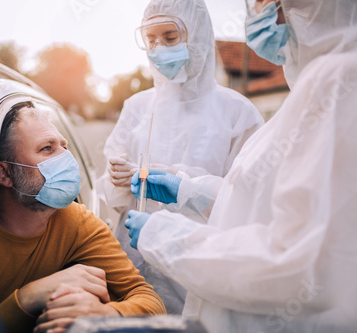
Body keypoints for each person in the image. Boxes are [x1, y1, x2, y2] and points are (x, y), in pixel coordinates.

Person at [125, 0, 357, 332]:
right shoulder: (316, 86)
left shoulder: (338, 80)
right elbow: (268, 206)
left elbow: (302, 265)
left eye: (267, 2)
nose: (261, 12)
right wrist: (191, 190)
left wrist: (165, 237)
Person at [95, 0, 264, 315]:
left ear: (197, 35)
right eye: (151, 40)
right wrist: (118, 179)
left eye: (170, 38)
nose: (158, 48)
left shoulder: (237, 112)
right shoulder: (137, 106)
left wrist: (184, 186)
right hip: (133, 273)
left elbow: (248, 204)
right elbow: (110, 192)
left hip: (197, 273)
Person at [0, 105, 165, 333]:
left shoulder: (77, 221)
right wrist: (27, 297)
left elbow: (149, 300)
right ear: (4, 173)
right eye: (47, 148)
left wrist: (107, 315)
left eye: (64, 147)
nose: (66, 158)